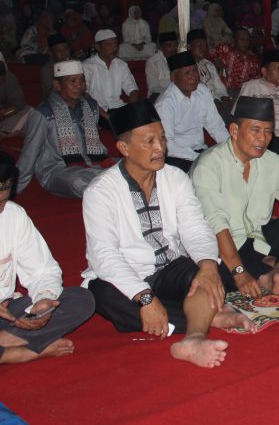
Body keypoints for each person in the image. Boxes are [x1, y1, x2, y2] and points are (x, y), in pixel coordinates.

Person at [82, 101, 253, 367]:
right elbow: (104, 256)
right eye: (149, 141)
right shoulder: (100, 192)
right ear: (124, 148)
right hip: (126, 276)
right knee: (100, 296)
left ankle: (193, 338)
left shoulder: (175, 178)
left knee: (208, 273)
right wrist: (145, 297)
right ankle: (209, 316)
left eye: (162, 138)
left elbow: (195, 227)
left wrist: (207, 267)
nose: (160, 148)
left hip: (170, 269)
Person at [191, 96, 279, 300]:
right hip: (223, 244)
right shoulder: (209, 166)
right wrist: (239, 272)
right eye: (255, 130)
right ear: (234, 131)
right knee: (214, 269)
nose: (262, 138)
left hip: (257, 238)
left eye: (268, 131)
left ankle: (277, 271)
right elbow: (217, 226)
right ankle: (263, 273)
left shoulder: (270, 161)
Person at [0, 162, 95, 365]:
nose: (0, 209)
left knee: (81, 299)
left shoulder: (13, 215)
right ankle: (24, 353)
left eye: (2, 201)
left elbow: (42, 271)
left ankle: (6, 342)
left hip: (6, 313)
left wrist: (44, 301)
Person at [16, 61, 109, 199]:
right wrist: (13, 188)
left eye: (82, 80)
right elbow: (30, 153)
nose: (79, 85)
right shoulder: (43, 113)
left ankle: (107, 184)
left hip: (94, 164)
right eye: (72, 81)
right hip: (58, 170)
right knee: (77, 182)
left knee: (130, 166)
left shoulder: (91, 106)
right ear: (57, 85)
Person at [154, 52, 229, 173]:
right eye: (187, 73)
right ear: (173, 77)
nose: (193, 76)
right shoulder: (165, 104)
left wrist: (232, 149)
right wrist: (199, 158)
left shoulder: (202, 91)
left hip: (200, 152)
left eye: (195, 70)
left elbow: (216, 127)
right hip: (176, 157)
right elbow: (168, 144)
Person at [83, 29, 141, 124]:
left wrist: (130, 110)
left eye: (115, 44)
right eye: (109, 44)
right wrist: (106, 116)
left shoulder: (121, 64)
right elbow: (84, 95)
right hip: (98, 111)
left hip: (119, 108)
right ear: (98, 47)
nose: (114, 48)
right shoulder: (87, 66)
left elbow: (133, 90)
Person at [186, 29, 232, 117]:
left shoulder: (209, 65)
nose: (203, 48)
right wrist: (214, 101)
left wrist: (224, 97)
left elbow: (219, 85)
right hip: (200, 105)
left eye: (205, 44)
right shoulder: (186, 68)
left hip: (217, 102)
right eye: (199, 44)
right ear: (189, 47)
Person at [211, 27, 261, 97]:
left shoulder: (253, 59)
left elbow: (256, 80)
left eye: (247, 39)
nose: (245, 42)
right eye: (242, 39)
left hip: (240, 93)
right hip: (220, 90)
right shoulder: (225, 49)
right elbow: (209, 55)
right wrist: (216, 61)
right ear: (234, 40)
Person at [145, 32, 180, 99]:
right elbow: (153, 87)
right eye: (169, 46)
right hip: (161, 97)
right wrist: (174, 92)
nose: (174, 49)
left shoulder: (181, 58)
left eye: (175, 45)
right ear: (161, 47)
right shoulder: (153, 62)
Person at [0, 58, 29, 138]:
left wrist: (4, 113)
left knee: (29, 112)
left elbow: (19, 104)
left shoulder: (9, 78)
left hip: (7, 114)